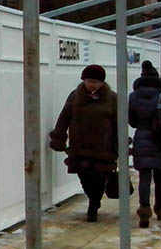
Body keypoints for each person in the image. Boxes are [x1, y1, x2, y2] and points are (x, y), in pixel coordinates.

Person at [49, 64, 119, 222]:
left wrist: (119, 143)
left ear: (102, 82)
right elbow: (64, 117)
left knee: (99, 178)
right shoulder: (75, 96)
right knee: (84, 177)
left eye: (96, 82)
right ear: (84, 80)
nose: (92, 84)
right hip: (79, 147)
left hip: (103, 148)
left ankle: (94, 204)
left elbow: (118, 123)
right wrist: (59, 137)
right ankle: (93, 199)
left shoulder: (112, 99)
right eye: (89, 81)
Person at [128, 60, 161, 227]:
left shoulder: (133, 96)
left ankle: (144, 210)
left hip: (142, 139)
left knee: (144, 177)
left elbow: (132, 121)